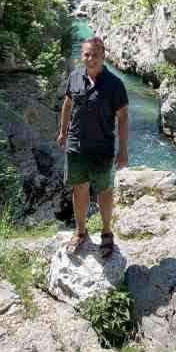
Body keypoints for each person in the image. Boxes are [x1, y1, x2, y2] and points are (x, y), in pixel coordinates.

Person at [56, 36, 129, 257]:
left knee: (104, 191)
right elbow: (67, 105)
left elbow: (123, 117)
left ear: (103, 56)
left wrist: (123, 150)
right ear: (82, 56)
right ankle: (80, 232)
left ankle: (106, 233)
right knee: (79, 188)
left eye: (95, 54)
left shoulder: (115, 84)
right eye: (87, 54)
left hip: (103, 147)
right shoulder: (74, 78)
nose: (91, 58)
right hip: (76, 145)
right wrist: (62, 131)